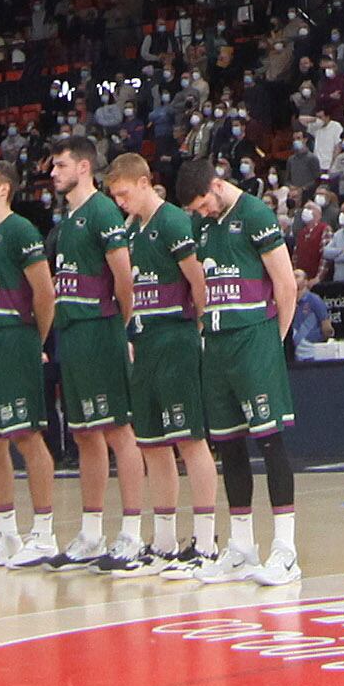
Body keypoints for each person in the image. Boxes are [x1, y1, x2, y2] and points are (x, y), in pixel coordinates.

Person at [178, 151, 302, 584]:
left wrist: (274, 341)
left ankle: (285, 550)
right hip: (217, 344)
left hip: (254, 341)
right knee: (229, 446)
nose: (201, 214)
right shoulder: (202, 225)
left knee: (269, 442)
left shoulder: (254, 213)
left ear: (215, 185)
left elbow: (286, 286)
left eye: (201, 206)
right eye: (194, 212)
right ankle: (242, 547)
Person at [104, 146, 227, 576]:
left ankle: (207, 541)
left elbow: (200, 282)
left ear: (143, 183)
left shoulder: (174, 220)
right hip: (147, 341)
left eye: (123, 193)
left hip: (177, 337)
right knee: (152, 443)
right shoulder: (131, 229)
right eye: (114, 197)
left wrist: (198, 334)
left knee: (190, 438)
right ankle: (164, 541)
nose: (120, 202)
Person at [40, 136, 141, 570]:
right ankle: (91, 532)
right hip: (72, 333)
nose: (52, 172)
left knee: (119, 431)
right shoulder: (67, 221)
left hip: (100, 330)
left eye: (60, 165)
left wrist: (117, 325)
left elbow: (125, 279)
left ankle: (133, 535)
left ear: (84, 167)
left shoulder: (101, 210)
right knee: (84, 433)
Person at [0, 158, 61, 570]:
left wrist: (32, 338)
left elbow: (45, 293)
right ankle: (6, 532)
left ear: (4, 189)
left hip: (14, 339)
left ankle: (45, 532)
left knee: (26, 436)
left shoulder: (20, 230)